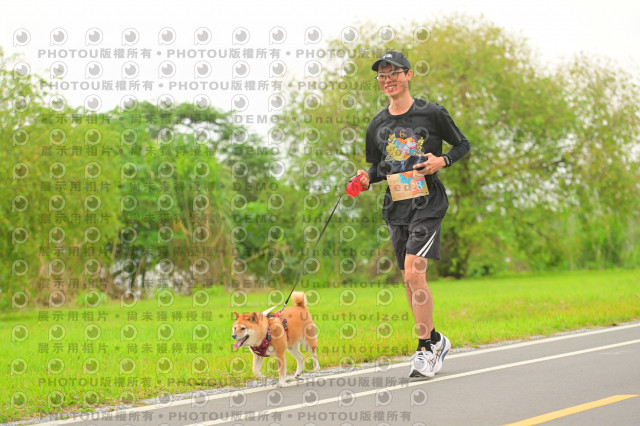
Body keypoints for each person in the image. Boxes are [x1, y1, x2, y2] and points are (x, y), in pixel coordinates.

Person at [356, 50, 470, 377]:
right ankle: (435, 339)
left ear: (408, 75)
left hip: (427, 204)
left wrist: (441, 161)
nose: (388, 79)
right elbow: (378, 167)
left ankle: (424, 349)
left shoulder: (432, 113)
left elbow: (462, 145)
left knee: (414, 273)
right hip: (396, 207)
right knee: (408, 279)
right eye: (382, 75)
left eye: (394, 73)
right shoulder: (377, 124)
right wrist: (365, 178)